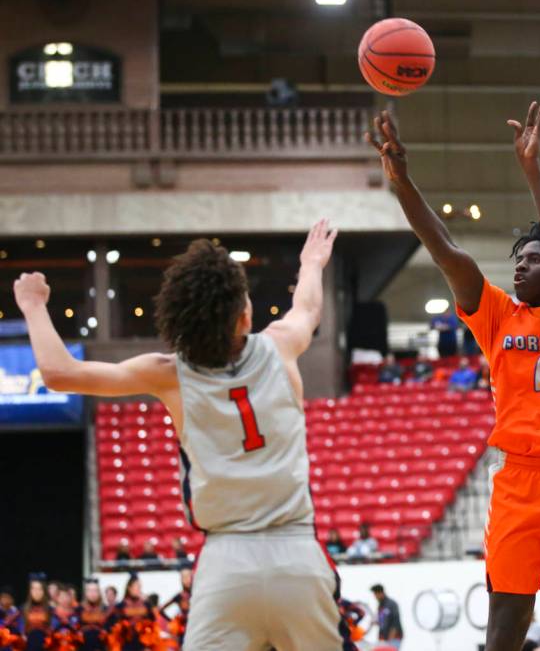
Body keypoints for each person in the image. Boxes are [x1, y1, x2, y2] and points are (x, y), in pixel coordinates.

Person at [14, 219, 356, 651]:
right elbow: (307, 309)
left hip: (225, 565)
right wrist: (311, 264)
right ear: (245, 314)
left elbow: (60, 373)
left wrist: (33, 304)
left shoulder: (169, 373)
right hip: (296, 553)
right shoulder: (282, 344)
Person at [367, 101, 540, 651]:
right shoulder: (497, 316)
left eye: (532, 260)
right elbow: (446, 250)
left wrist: (533, 172)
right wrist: (402, 182)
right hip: (518, 482)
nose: (519, 265)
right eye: (518, 259)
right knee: (504, 629)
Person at [106, 575, 159, 651]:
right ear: (129, 588)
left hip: (142, 643)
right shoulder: (121, 605)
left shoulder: (146, 604)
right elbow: (111, 624)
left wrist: (149, 645)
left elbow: (153, 622)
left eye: (140, 587)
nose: (139, 589)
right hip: (127, 644)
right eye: (136, 586)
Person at [159, 567, 192, 648]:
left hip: (197, 628)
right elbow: (161, 609)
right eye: (184, 577)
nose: (187, 579)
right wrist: (172, 621)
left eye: (188, 576)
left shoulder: (198, 593)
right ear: (181, 579)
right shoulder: (179, 596)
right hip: (184, 631)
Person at [18, 575, 52, 651]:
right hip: (28, 643)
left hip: (45, 643)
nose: (37, 592)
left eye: (40, 589)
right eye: (34, 589)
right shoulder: (23, 608)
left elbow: (52, 628)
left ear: (44, 591)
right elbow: (21, 628)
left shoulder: (50, 609)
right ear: (30, 591)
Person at [77, 579, 108, 651]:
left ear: (99, 592)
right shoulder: (78, 610)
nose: (92, 593)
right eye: (90, 590)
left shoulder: (106, 610)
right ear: (85, 593)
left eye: (95, 590)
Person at [370, 585, 403, 649]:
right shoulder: (380, 605)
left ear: (381, 593)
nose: (375, 597)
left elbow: (396, 621)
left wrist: (390, 638)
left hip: (393, 639)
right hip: (383, 638)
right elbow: (383, 621)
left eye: (376, 594)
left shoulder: (392, 604)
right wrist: (376, 622)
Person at [51, 585, 83, 651]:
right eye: (62, 596)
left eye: (66, 596)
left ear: (70, 598)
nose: (64, 599)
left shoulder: (76, 615)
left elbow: (79, 634)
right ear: (57, 598)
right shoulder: (51, 614)